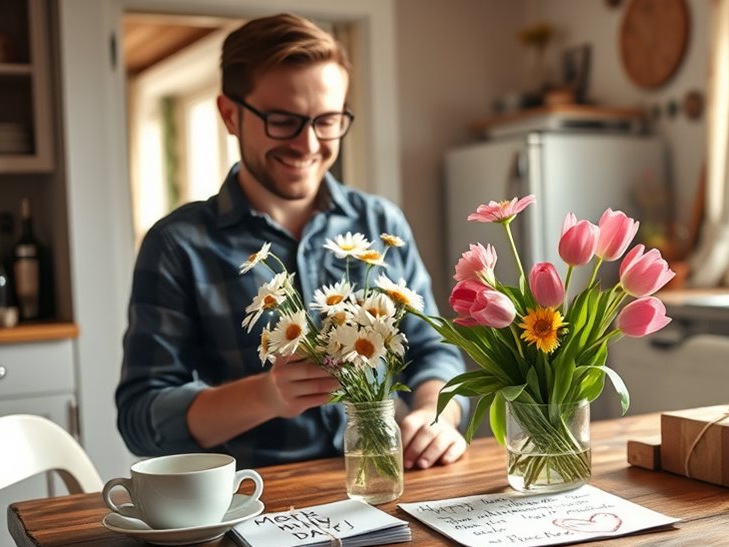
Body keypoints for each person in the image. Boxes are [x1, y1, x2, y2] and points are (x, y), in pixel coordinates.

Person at [116, 13, 467, 470]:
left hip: (388, 485)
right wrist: (265, 396)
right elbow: (141, 420)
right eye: (283, 120)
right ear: (229, 115)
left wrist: (435, 415)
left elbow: (433, 351)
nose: (307, 145)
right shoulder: (177, 245)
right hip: (255, 506)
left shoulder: (380, 220)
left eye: (327, 121)